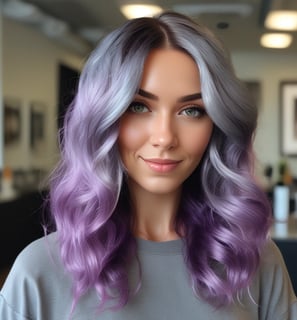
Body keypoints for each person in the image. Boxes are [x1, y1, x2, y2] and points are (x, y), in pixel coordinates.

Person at [1, 11, 296, 320]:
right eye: (138, 106)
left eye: (192, 110)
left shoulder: (256, 261)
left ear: (217, 125)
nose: (165, 137)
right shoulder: (38, 272)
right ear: (103, 117)